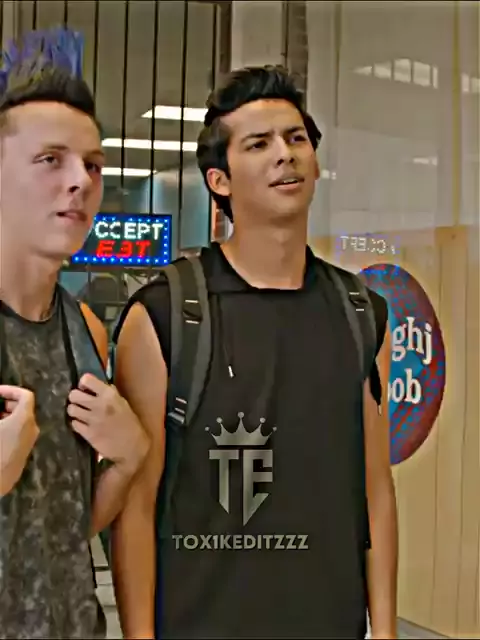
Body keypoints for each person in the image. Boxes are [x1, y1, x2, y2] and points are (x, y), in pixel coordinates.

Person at [112, 65, 398, 639]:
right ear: (219, 180)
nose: (285, 155)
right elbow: (136, 506)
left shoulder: (361, 313)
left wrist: (386, 630)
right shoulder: (166, 315)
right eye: (259, 144)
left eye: (296, 139)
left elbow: (375, 490)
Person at [0, 28, 149, 639]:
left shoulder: (82, 329)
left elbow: (66, 528)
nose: (81, 181)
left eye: (92, 165)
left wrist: (127, 460)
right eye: (50, 160)